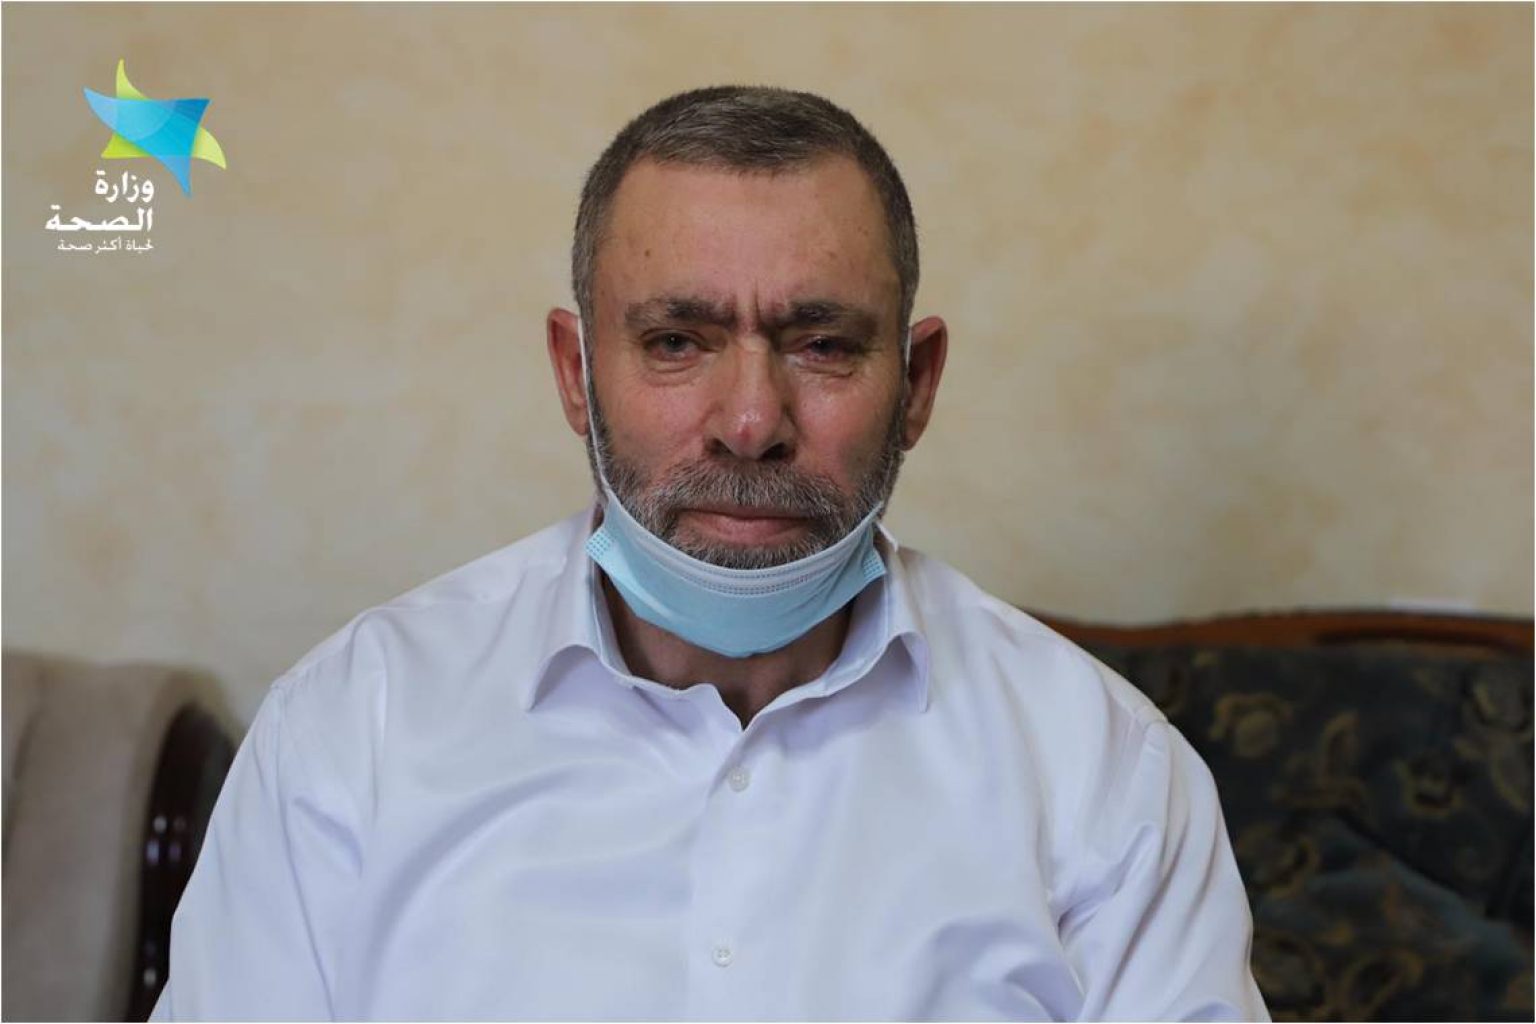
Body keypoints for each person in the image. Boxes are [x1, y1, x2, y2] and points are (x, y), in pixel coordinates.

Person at [153, 86, 1268, 1021]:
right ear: (575, 374)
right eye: (677, 341)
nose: (749, 421)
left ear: (917, 385)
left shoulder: (1106, 773)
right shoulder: (351, 729)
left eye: (821, 343)